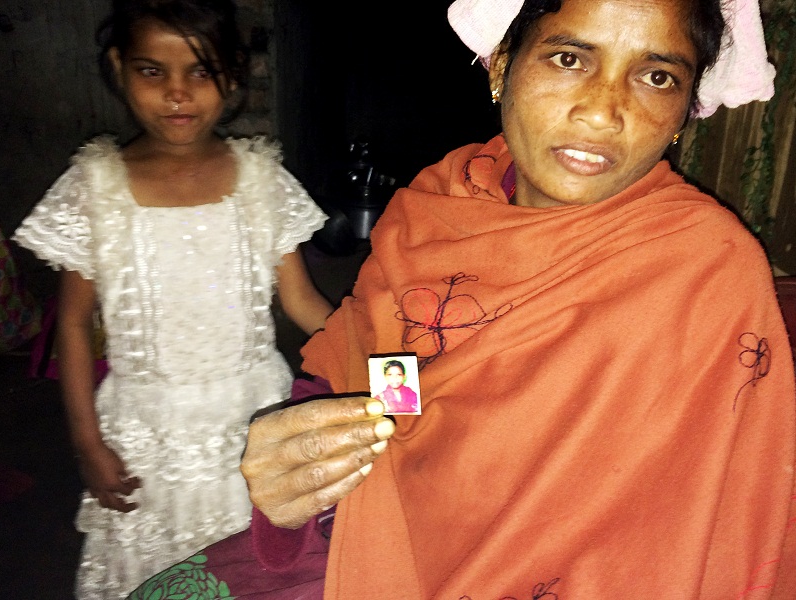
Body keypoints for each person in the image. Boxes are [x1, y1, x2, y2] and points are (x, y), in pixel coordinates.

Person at [127, 0, 796, 598]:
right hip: (390, 526)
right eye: (569, 59)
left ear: (685, 110)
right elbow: (378, 385)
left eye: (656, 76)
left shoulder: (703, 266)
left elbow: (727, 514)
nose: (602, 111)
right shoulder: (436, 209)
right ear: (502, 65)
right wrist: (297, 470)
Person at [11, 0, 334, 597]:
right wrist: (87, 441)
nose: (177, 93)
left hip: (250, 421)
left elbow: (302, 302)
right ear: (119, 68)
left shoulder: (261, 179)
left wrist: (378, 349)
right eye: (152, 71)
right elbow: (73, 325)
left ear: (232, 76)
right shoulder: (94, 185)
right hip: (145, 434)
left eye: (200, 71)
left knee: (247, 566)